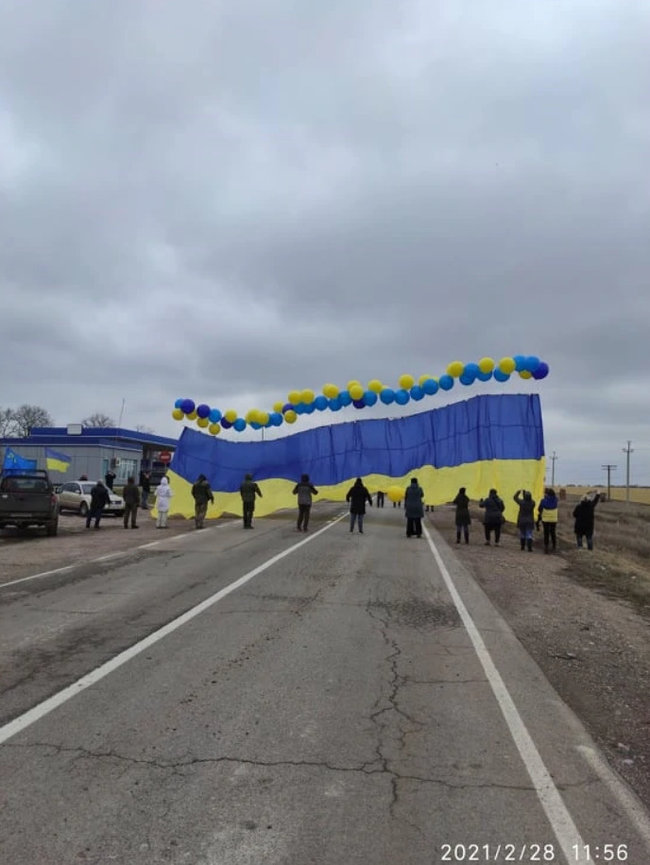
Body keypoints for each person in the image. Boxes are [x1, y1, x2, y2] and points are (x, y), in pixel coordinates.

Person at [537, 487, 559, 553]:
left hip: (545, 519)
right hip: (554, 519)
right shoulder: (556, 500)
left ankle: (546, 547)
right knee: (553, 532)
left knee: (546, 533)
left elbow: (539, 509)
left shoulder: (543, 501)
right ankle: (554, 546)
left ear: (547, 494)